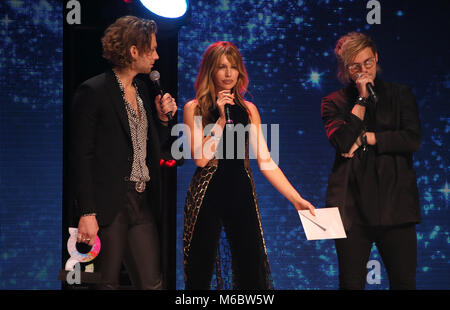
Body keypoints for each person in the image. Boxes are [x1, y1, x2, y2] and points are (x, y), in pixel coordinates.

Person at [183, 41, 315, 289]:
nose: (229, 73)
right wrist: (221, 121)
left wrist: (296, 199)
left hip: (241, 192)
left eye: (234, 67)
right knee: (201, 268)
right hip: (207, 195)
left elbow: (266, 162)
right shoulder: (195, 107)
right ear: (211, 71)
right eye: (222, 67)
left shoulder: (249, 110)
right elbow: (200, 158)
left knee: (251, 265)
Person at [69, 16, 177, 289]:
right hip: (107, 205)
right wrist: (87, 211)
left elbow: (151, 148)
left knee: (152, 283)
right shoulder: (93, 91)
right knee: (103, 283)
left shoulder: (141, 90)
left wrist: (163, 121)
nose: (156, 55)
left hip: (140, 202)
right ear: (133, 51)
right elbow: (81, 156)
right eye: (151, 49)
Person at [321, 32, 421, 289]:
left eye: (368, 63)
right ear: (346, 69)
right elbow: (343, 143)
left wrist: (367, 139)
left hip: (396, 206)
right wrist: (362, 99)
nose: (363, 70)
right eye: (355, 66)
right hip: (351, 210)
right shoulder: (333, 102)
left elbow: (412, 140)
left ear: (376, 58)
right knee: (350, 284)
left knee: (404, 283)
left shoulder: (400, 95)